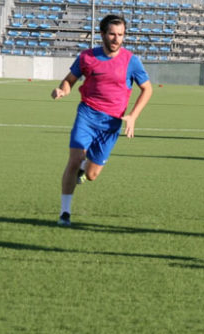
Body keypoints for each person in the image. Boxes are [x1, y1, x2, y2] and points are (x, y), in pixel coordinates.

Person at [51, 14, 153, 226]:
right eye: (112, 34)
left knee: (92, 174)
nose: (117, 39)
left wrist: (133, 116)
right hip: (87, 115)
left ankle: (84, 169)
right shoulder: (87, 57)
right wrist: (62, 90)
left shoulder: (131, 61)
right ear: (102, 34)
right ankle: (64, 213)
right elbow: (69, 80)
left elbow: (147, 89)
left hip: (111, 124)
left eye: (121, 35)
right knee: (75, 158)